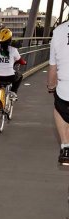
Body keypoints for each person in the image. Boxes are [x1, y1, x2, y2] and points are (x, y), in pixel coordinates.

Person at [0, 28, 26, 119]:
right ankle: (13, 92)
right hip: (9, 76)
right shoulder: (13, 50)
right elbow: (20, 61)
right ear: (10, 40)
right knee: (20, 76)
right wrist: (24, 62)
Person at [47, 20, 69, 165]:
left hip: (65, 90)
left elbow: (53, 67)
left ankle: (65, 146)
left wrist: (51, 86)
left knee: (59, 107)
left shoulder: (59, 31)